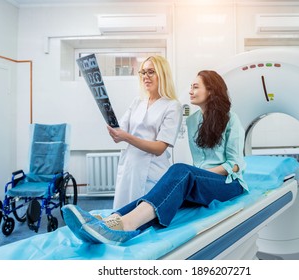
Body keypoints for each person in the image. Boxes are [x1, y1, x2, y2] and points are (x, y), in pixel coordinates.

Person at [62, 70, 248, 244]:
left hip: (228, 183)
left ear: (211, 91)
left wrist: (199, 175)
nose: (190, 91)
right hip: (203, 180)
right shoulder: (193, 121)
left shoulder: (231, 119)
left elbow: (235, 164)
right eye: (191, 87)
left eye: (195, 87)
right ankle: (106, 222)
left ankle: (126, 226)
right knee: (158, 196)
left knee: (181, 170)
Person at [109, 55, 182, 208]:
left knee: (143, 216)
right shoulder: (138, 102)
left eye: (150, 72)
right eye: (143, 73)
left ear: (162, 75)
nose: (145, 77)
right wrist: (110, 121)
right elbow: (119, 132)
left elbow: (159, 148)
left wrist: (126, 137)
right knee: (122, 211)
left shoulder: (172, 106)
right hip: (130, 166)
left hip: (152, 170)